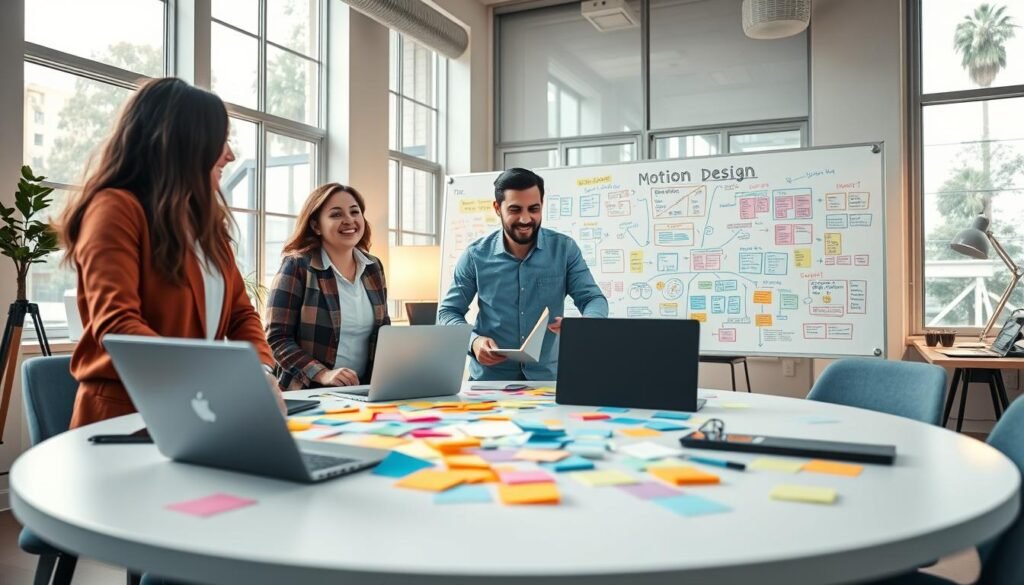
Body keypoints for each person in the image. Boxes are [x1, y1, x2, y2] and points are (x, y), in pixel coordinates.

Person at [58, 77, 278, 428]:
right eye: (220, 140)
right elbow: (117, 325)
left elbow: (240, 315)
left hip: (193, 411)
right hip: (124, 420)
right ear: (184, 142)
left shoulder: (206, 228)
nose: (230, 154)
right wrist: (218, 379)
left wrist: (260, 371)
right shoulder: (115, 208)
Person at [438, 167, 608, 381]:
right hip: (489, 383)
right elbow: (447, 313)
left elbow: (593, 298)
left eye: (533, 209)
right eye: (515, 209)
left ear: (542, 206)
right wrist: (473, 342)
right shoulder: (475, 256)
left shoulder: (565, 250)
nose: (526, 219)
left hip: (548, 381)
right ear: (497, 208)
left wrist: (585, 326)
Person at [265, 183, 390, 390]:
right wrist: (322, 374)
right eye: (336, 214)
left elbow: (383, 331)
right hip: (308, 393)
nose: (349, 220)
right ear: (316, 226)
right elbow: (277, 338)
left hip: (362, 392)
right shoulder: (297, 266)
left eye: (354, 212)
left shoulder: (373, 268)